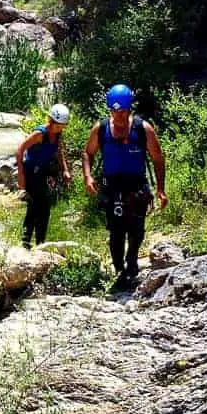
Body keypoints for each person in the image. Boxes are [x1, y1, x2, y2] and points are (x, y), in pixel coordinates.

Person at [82, 84, 168, 288]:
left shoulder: (142, 128)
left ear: (130, 109)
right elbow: (88, 153)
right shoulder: (101, 129)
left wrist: (161, 189)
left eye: (123, 111)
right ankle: (119, 271)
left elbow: (157, 158)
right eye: (115, 111)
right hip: (111, 186)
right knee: (116, 231)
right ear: (110, 109)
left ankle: (132, 261)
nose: (119, 116)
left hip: (136, 185)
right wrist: (87, 177)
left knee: (137, 229)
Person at [16, 103, 73, 248]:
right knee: (34, 207)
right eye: (57, 125)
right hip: (31, 172)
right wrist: (21, 174)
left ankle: (41, 243)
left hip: (43, 172)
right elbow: (20, 150)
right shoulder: (39, 134)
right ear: (50, 120)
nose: (60, 129)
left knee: (45, 209)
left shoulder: (58, 134)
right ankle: (25, 242)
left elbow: (59, 151)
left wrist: (65, 170)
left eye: (62, 126)